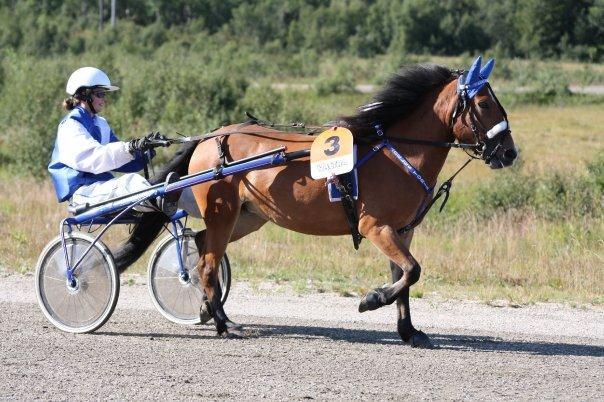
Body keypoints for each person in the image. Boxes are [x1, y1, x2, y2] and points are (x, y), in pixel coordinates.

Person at [48, 66, 180, 214]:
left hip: (100, 188)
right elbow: (95, 158)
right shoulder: (71, 126)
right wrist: (130, 147)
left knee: (164, 184)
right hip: (82, 193)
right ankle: (160, 200)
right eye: (100, 94)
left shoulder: (100, 124)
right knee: (129, 183)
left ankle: (177, 200)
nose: (104, 99)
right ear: (85, 95)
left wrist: (144, 151)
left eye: (105, 94)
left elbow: (120, 161)